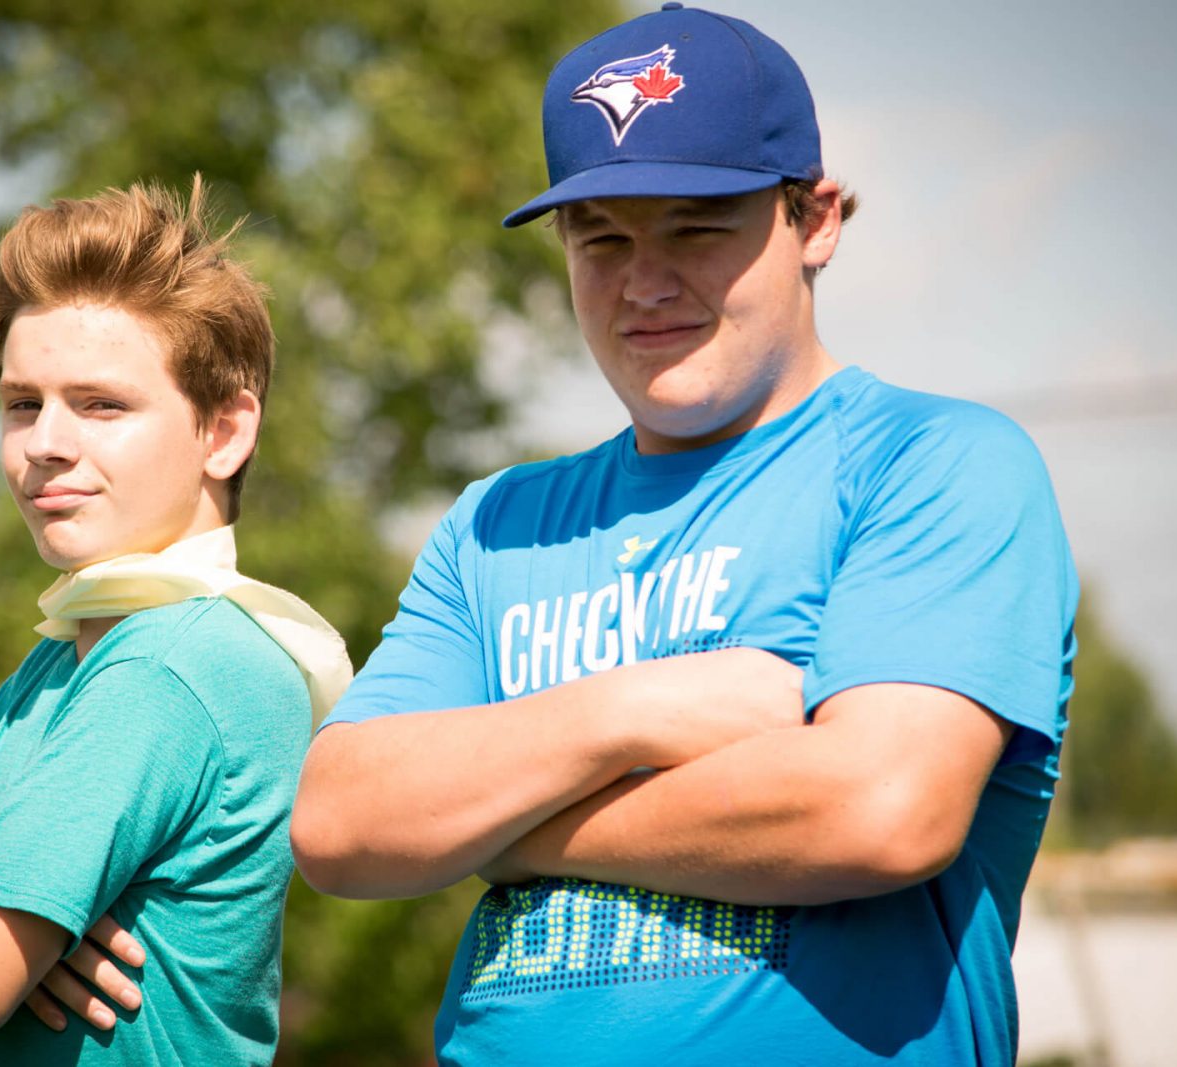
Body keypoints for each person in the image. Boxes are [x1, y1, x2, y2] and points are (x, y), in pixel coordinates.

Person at [290, 6, 1076, 1065]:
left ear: (818, 219)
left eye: (696, 227)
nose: (644, 281)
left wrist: (504, 826)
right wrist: (629, 712)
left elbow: (882, 807)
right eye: (601, 238)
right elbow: (340, 821)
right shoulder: (497, 523)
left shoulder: (932, 462)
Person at [0, 177, 351, 1063]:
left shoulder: (173, 664)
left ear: (225, 431)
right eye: (23, 402)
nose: (45, 442)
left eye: (102, 404)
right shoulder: (64, 664)